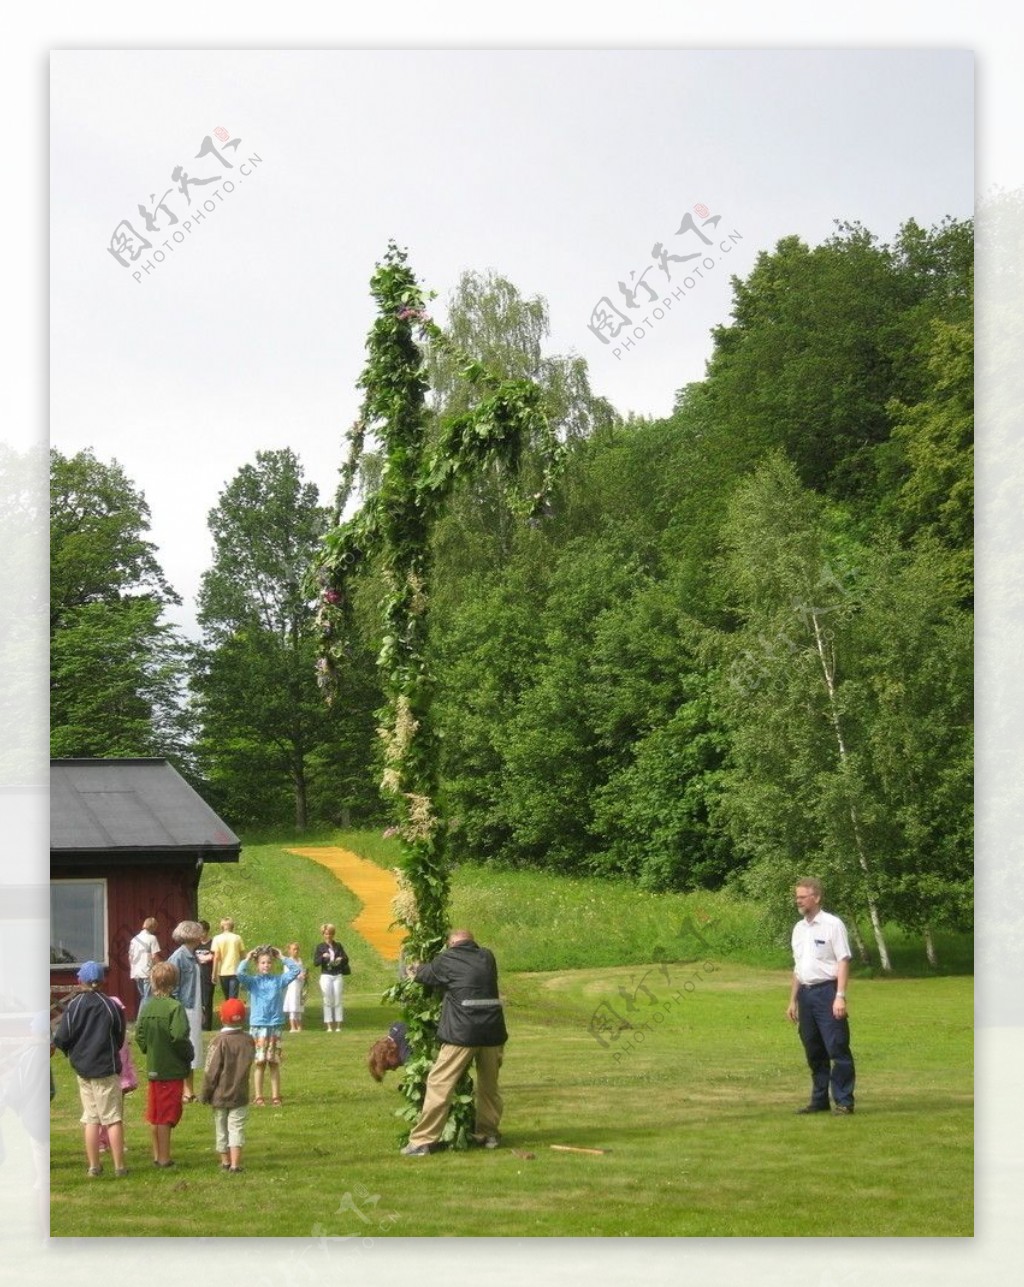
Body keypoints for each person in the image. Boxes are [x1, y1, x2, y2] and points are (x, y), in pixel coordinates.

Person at [400, 930, 507, 1156]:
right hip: (493, 1032)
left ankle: (422, 1141)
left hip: (463, 1033)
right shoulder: (487, 956)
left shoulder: (447, 958)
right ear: (472, 942)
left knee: (439, 1083)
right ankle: (489, 1134)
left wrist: (412, 969)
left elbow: (426, 975)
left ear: (451, 944)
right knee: (489, 1087)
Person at [52, 961, 129, 1178]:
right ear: (102, 981)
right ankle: (119, 1166)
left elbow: (61, 1037)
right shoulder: (110, 1005)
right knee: (112, 1118)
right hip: (106, 1068)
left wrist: (73, 1052)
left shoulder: (74, 1006)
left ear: (80, 980)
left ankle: (94, 1166)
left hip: (83, 1069)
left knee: (91, 1118)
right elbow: (119, 1035)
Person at [786, 878, 857, 1115]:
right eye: (797, 897)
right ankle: (819, 1100)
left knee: (837, 1047)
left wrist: (840, 996)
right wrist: (792, 1000)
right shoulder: (799, 929)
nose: (798, 901)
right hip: (806, 994)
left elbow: (843, 960)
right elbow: (799, 967)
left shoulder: (832, 925)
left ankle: (844, 1101)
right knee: (813, 1049)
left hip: (827, 992)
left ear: (816, 897)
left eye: (802, 897)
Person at [135, 960, 194, 1167]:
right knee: (167, 1116)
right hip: (171, 1069)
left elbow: (139, 1035)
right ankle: (164, 1158)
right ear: (174, 983)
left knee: (155, 1113)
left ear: (152, 982)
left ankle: (156, 1154)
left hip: (153, 1066)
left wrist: (148, 1049)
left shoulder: (148, 1006)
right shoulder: (175, 1007)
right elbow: (179, 1036)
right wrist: (188, 1055)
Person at [237, 946, 301, 1106]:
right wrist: (247, 958)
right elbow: (239, 974)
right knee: (259, 1063)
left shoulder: (278, 980)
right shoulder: (252, 982)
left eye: (269, 962)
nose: (266, 965)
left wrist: (282, 956)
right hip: (258, 1026)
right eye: (262, 963)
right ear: (257, 965)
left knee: (273, 1062)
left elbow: (295, 970)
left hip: (274, 1025)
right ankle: (258, 1096)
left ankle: (275, 1096)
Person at [199, 997, 256, 1173]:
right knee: (236, 1127)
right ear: (244, 1017)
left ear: (222, 1017)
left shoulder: (219, 1041)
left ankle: (225, 1162)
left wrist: (205, 1093)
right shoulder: (248, 1040)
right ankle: (236, 1164)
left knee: (221, 1129)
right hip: (240, 1094)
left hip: (220, 1095)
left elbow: (211, 1071)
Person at [167, 920, 206, 1103]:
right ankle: (185, 1091)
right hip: (185, 1009)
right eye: (199, 933)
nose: (202, 936)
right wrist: (177, 1011)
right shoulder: (179, 957)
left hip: (194, 1007)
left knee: (193, 1050)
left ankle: (189, 1090)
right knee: (186, 1048)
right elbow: (173, 987)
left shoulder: (191, 955)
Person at [312, 924, 349, 1032]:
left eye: (330, 933)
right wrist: (323, 957)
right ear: (323, 934)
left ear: (333, 934)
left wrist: (340, 959)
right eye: (326, 934)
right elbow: (315, 963)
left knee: (338, 999)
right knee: (327, 999)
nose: (328, 936)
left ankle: (338, 1025)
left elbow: (346, 959)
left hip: (337, 975)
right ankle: (329, 1025)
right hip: (326, 975)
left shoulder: (338, 946)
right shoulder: (320, 947)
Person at [128, 917, 162, 1008]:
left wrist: (133, 969)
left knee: (144, 997)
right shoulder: (152, 938)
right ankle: (144, 1019)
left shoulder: (134, 939)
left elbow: (130, 957)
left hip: (136, 973)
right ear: (153, 927)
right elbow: (154, 956)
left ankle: (140, 1020)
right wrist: (161, 967)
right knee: (148, 998)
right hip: (147, 972)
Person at [211, 917, 246, 1002]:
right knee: (233, 998)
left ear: (221, 926)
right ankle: (233, 1013)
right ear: (232, 926)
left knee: (227, 998)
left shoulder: (217, 938)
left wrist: (214, 973)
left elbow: (216, 957)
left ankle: (228, 1014)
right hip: (235, 971)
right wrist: (244, 970)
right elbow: (242, 956)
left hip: (222, 972)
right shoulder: (237, 938)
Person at [282, 942, 307, 1033]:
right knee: (293, 1005)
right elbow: (287, 974)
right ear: (290, 951)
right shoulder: (288, 961)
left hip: (300, 985)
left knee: (299, 1004)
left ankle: (299, 1025)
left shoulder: (299, 960)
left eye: (297, 949)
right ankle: (292, 1026)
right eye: (294, 949)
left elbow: (302, 970)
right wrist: (297, 976)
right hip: (292, 985)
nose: (296, 951)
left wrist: (304, 974)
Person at [196, 920, 215, 1031]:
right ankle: (199, 1023)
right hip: (197, 975)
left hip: (208, 974)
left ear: (206, 931)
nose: (200, 934)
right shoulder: (196, 944)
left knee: (207, 1001)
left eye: (202, 931)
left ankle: (207, 1026)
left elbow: (213, 956)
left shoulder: (212, 943)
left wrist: (205, 958)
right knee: (198, 1000)